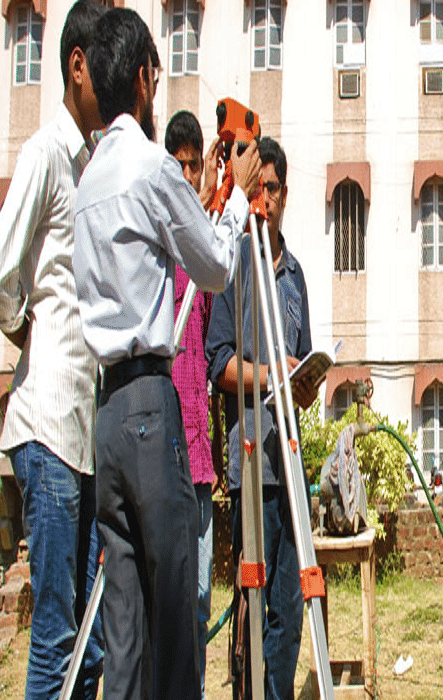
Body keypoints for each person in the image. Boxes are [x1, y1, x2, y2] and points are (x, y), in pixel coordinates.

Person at [72, 8, 260, 700]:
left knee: (126, 627)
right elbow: (211, 267)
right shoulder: (151, 166)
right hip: (153, 406)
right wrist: (234, 197)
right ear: (147, 78)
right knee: (178, 614)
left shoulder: (91, 176)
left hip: (108, 413)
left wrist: (203, 197)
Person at [0, 3, 107, 698]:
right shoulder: (46, 153)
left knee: (89, 640)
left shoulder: (92, 163)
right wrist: (23, 326)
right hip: (50, 425)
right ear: (77, 63)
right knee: (58, 633)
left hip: (83, 435)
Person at [205, 136, 318, 700]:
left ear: (286, 194)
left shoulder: (295, 275)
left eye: (274, 188)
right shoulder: (234, 267)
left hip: (290, 460)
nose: (266, 199)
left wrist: (305, 382)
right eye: (259, 188)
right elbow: (219, 361)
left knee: (290, 608)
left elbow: (301, 363)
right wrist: (273, 374)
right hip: (251, 461)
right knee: (253, 604)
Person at [163, 109, 221, 698]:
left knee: (201, 592)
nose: (186, 175)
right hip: (161, 452)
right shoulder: (160, 244)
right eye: (176, 165)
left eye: (193, 164)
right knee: (167, 596)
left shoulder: (202, 248)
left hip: (200, 456)